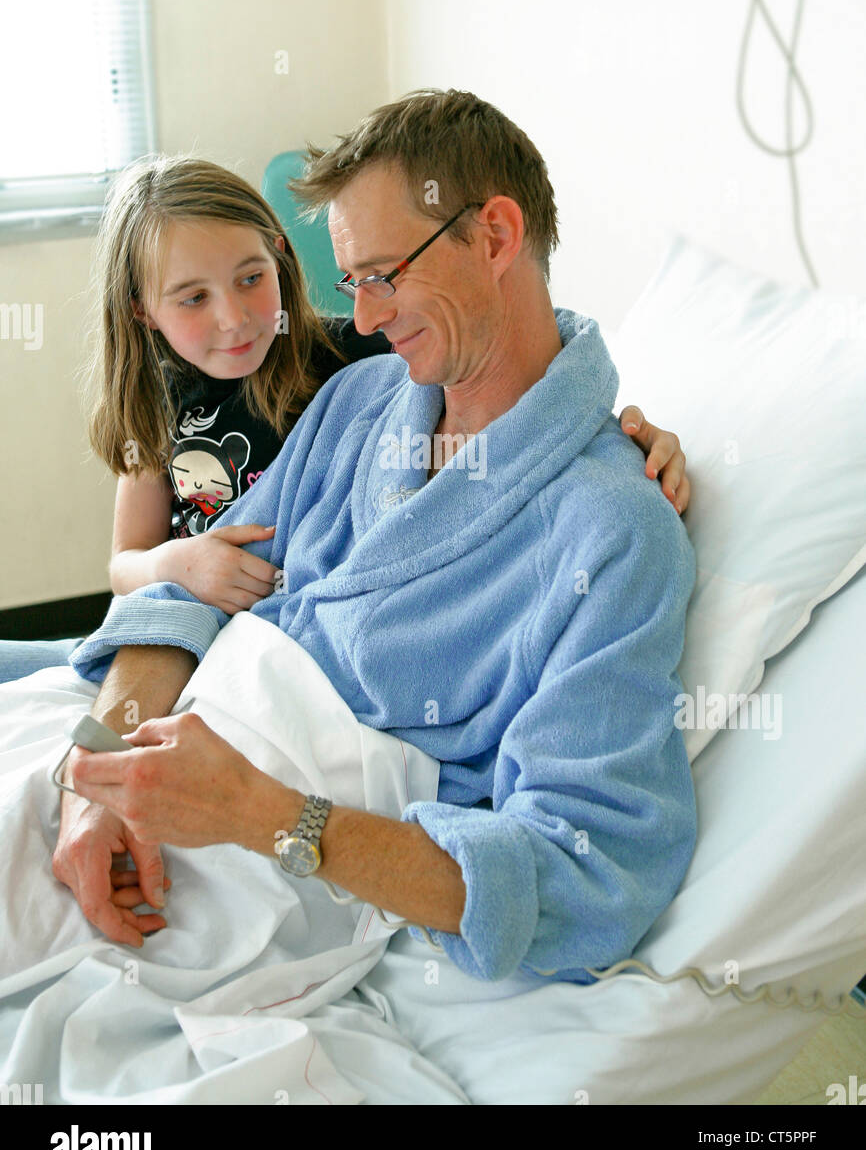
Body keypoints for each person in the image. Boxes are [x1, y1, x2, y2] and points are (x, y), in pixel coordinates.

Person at [53, 88, 698, 986]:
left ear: (496, 237)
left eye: (383, 274)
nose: (360, 320)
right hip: (149, 772)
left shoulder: (613, 529)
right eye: (351, 281)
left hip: (254, 854)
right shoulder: (359, 404)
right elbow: (177, 595)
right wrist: (97, 771)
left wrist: (263, 814)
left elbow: (585, 874)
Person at [0, 155, 686, 681]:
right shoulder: (154, 406)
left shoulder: (347, 351)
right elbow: (124, 563)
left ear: (278, 254)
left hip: (295, 628)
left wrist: (621, 432)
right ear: (141, 311)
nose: (234, 318)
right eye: (191, 298)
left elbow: (512, 374)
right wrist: (181, 562)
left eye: (249, 278)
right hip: (184, 623)